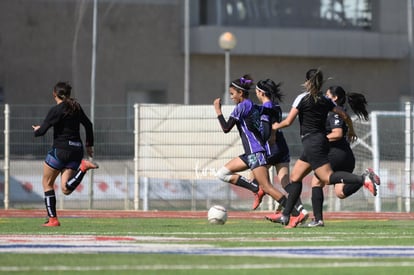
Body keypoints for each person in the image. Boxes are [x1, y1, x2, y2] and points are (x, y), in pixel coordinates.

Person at [271, 69, 380, 228]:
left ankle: (362, 179)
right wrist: (351, 130)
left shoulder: (302, 98)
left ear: (307, 82)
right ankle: (286, 215)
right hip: (316, 143)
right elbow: (345, 115)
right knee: (295, 177)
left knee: (326, 178)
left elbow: (288, 122)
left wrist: (276, 126)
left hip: (313, 142)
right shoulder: (325, 100)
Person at [213, 75, 289, 211]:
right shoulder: (254, 106)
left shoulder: (242, 107)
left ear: (240, 93)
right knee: (222, 174)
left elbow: (226, 128)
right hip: (251, 152)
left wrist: (218, 111)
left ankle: (293, 210)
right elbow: (270, 113)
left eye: (232, 94)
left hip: (256, 151)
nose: (231, 97)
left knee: (267, 186)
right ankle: (256, 188)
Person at [32, 81, 99, 227]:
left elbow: (42, 131)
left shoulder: (56, 110)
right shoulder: (76, 107)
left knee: (47, 183)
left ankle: (53, 220)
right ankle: (83, 168)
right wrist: (89, 145)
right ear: (68, 94)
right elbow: (89, 125)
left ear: (54, 94)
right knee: (65, 189)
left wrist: (37, 130)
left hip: (60, 151)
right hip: (76, 151)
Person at [307, 85, 373, 227]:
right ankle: (364, 178)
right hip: (346, 156)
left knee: (316, 182)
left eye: (327, 94)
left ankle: (318, 220)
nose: (325, 96)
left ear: (334, 98)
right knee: (340, 192)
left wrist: (319, 139)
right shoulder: (335, 111)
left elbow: (337, 133)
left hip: (337, 155)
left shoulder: (334, 113)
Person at [254, 79, 308, 223]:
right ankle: (302, 210)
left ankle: (284, 206)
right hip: (281, 147)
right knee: (285, 183)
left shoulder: (266, 107)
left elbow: (270, 128)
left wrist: (267, 137)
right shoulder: (275, 105)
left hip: (272, 148)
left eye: (256, 91)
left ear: (261, 92)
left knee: (256, 177)